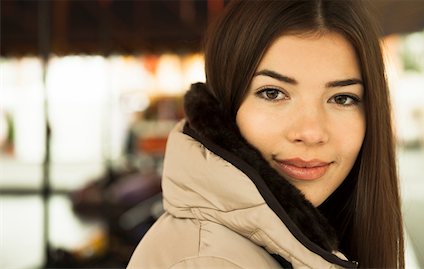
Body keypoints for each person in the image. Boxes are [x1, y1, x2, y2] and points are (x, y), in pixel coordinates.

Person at [127, 1, 404, 268]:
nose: (310, 132)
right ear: (223, 108)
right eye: (273, 93)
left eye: (342, 98)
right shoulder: (209, 262)